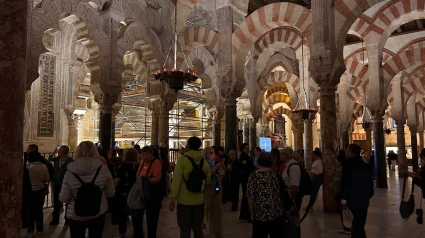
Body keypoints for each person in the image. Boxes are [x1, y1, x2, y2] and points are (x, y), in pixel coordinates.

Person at [60, 141, 115, 238]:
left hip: (76, 213)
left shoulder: (70, 171)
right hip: (98, 211)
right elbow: (110, 193)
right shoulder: (103, 169)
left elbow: (64, 198)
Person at [169, 137, 211, 238]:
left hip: (184, 200)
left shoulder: (182, 160)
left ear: (188, 145)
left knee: (185, 230)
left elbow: (176, 181)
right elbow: (208, 181)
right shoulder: (203, 162)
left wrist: (172, 199)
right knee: (197, 229)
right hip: (199, 200)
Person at [247, 152, 292, 238]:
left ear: (258, 161)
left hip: (260, 214)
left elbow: (250, 196)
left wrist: (251, 212)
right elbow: (284, 190)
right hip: (277, 213)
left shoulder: (253, 176)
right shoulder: (276, 174)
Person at [341, 144, 374, 238]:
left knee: (355, 226)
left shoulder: (347, 165)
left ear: (351, 153)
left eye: (347, 151)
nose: (346, 153)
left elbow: (345, 183)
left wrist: (343, 199)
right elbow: (370, 183)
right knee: (360, 224)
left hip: (352, 200)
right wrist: (369, 194)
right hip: (364, 200)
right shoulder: (365, 165)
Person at [133, 146, 163, 238]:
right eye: (143, 154)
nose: (145, 156)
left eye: (147, 154)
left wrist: (145, 180)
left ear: (152, 154)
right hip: (141, 193)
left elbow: (157, 178)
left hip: (152, 194)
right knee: (137, 218)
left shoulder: (156, 162)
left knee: (152, 220)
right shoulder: (142, 162)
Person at [113, 148, 139, 238]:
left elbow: (116, 181)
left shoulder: (123, 167)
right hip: (136, 193)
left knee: (122, 215)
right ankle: (137, 232)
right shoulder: (139, 167)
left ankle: (122, 233)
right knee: (136, 214)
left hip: (124, 192)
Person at [26, 151, 50, 237]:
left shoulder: (28, 168)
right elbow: (47, 179)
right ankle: (40, 229)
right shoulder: (44, 167)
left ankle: (30, 230)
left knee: (30, 211)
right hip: (40, 190)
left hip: (31, 191)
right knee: (39, 210)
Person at [49, 145, 73, 226]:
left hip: (66, 184)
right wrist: (54, 152)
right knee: (56, 202)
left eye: (59, 150)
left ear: (63, 152)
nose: (58, 151)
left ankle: (67, 220)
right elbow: (49, 159)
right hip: (57, 183)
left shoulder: (70, 161)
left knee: (67, 202)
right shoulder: (57, 159)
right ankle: (55, 219)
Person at [203, 147, 224, 238]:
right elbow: (206, 174)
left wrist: (221, 173)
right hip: (207, 188)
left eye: (213, 152)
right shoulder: (203, 163)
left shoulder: (216, 163)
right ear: (205, 154)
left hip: (217, 187)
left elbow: (222, 175)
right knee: (205, 210)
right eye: (210, 153)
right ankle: (201, 228)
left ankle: (217, 231)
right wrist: (215, 168)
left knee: (217, 211)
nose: (212, 154)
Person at [281, 146, 302, 237]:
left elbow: (294, 186)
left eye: (281, 153)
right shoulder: (288, 165)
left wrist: (292, 201)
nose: (280, 155)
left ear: (286, 155)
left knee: (294, 220)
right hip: (288, 197)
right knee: (290, 220)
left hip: (292, 198)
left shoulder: (293, 167)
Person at [336, 150, 351, 235]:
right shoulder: (342, 168)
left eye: (337, 160)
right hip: (341, 193)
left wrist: (343, 198)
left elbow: (343, 183)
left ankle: (347, 228)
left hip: (342, 193)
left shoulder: (343, 169)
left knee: (345, 212)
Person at [239, 143, 254, 223]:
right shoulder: (243, 157)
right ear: (242, 149)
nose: (248, 150)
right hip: (246, 180)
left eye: (248, 148)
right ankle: (247, 216)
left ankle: (243, 215)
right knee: (247, 197)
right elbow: (245, 169)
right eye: (246, 148)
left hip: (247, 179)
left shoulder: (247, 156)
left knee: (245, 197)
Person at [305, 148, 323, 212]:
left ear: (316, 155)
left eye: (313, 154)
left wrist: (314, 173)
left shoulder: (319, 162)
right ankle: (310, 206)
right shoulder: (316, 161)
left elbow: (320, 171)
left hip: (317, 179)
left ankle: (310, 206)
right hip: (314, 178)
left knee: (314, 193)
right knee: (313, 193)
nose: (312, 155)